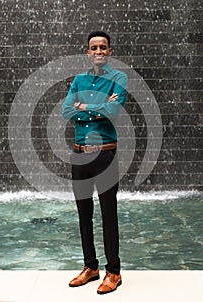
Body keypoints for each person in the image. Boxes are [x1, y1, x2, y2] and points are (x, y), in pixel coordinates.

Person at [62, 31, 127, 294]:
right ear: (88, 52)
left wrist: (83, 106)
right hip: (79, 154)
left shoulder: (118, 78)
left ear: (109, 51)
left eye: (103, 47)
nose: (98, 51)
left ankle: (114, 272)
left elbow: (114, 111)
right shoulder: (79, 79)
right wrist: (100, 104)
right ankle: (91, 267)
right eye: (93, 48)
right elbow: (67, 110)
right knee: (83, 213)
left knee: (108, 214)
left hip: (105, 155)